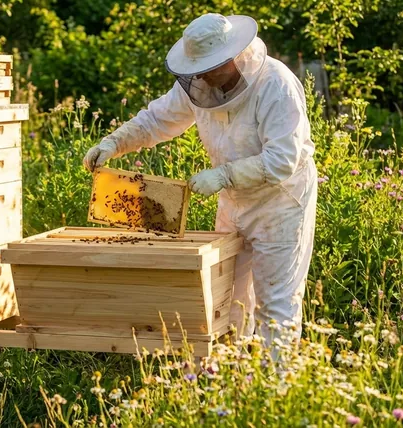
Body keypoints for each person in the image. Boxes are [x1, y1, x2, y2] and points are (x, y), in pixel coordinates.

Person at [83, 13, 318, 350]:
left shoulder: (275, 85)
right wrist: (114, 143)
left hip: (280, 204)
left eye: (212, 67)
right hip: (234, 202)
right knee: (225, 299)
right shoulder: (200, 85)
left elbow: (283, 159)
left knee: (276, 306)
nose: (205, 75)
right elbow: (156, 119)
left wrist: (223, 175)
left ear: (235, 55)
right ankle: (231, 384)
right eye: (200, 68)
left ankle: (274, 394)